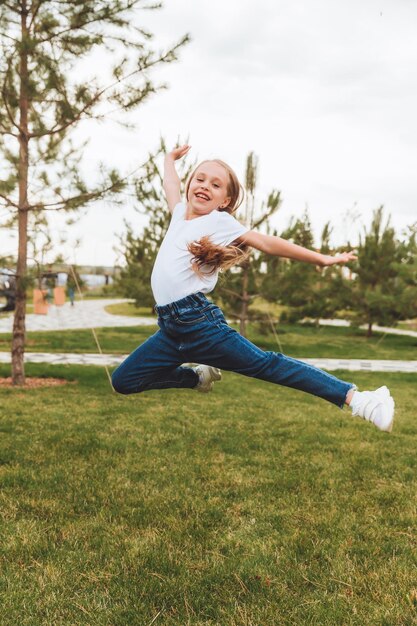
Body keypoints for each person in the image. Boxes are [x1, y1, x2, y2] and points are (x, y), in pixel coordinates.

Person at [112, 145, 395, 433]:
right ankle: (198, 378)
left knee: (267, 365)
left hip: (199, 325)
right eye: (200, 179)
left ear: (225, 200)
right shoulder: (180, 214)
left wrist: (320, 259)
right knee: (124, 380)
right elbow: (169, 185)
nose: (204, 186)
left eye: (215, 184)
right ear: (189, 184)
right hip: (171, 329)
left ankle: (362, 400)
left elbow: (268, 243)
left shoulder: (219, 222)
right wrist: (169, 160)